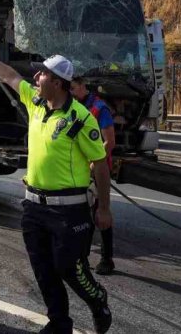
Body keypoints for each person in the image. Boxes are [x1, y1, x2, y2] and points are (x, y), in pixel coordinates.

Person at [0, 43, 113, 334]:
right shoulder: (35, 103)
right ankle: (59, 322)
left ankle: (97, 299)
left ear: (58, 83)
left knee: (69, 268)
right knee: (43, 269)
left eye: (42, 75)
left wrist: (105, 209)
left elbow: (100, 165)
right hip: (34, 208)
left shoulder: (81, 120)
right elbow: (10, 77)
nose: (36, 78)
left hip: (69, 211)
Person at [71, 77, 116, 276]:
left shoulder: (99, 109)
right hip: (79, 170)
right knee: (83, 214)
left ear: (83, 86)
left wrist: (92, 163)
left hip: (96, 170)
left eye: (72, 88)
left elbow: (109, 142)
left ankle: (107, 259)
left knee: (100, 214)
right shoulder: (73, 105)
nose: (69, 91)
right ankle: (82, 256)